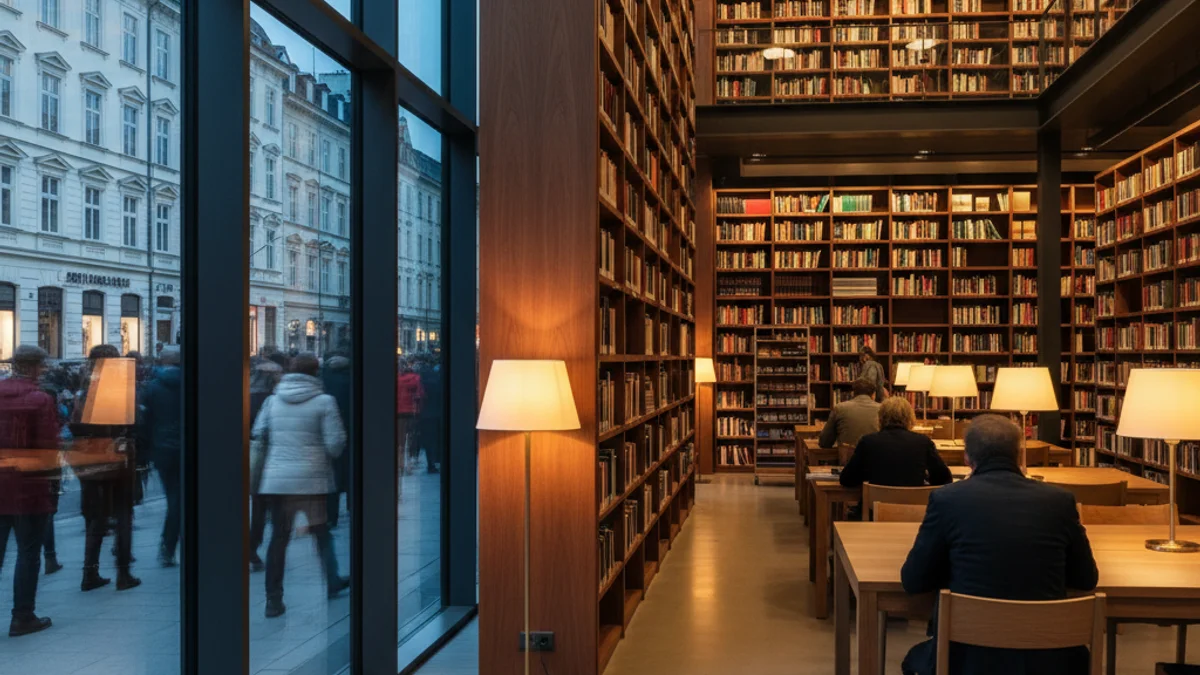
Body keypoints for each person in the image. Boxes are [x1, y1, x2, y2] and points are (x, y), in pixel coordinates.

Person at [900, 414, 1099, 675]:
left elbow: (913, 580)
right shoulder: (1060, 501)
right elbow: (1086, 579)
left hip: (966, 658)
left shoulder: (948, 500)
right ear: (1019, 455)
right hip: (1050, 659)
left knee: (913, 660)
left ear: (967, 458)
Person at [253, 353, 349, 618]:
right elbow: (335, 444)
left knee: (279, 539)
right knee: (321, 533)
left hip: (278, 480)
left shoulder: (273, 400)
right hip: (312, 480)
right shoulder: (325, 401)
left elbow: (259, 431)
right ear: (316, 372)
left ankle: (273, 598)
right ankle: (332, 580)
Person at [0, 345, 60, 636]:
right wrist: (53, 483)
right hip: (28, 487)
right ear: (36, 367)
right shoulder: (40, 399)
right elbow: (49, 448)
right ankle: (22, 616)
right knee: (27, 553)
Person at [73, 344, 141, 592]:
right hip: (116, 456)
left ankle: (89, 572)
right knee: (122, 513)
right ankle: (123, 573)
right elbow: (131, 422)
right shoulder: (119, 386)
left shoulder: (82, 386)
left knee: (95, 517)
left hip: (88, 456)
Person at [840, 397, 952, 491]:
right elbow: (944, 478)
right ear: (910, 418)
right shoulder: (923, 442)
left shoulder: (868, 442)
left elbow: (847, 479)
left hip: (876, 510)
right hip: (912, 510)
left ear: (880, 418)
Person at [140, 346, 182, 567]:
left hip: (163, 449)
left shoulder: (152, 388)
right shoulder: (195, 381)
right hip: (188, 449)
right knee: (183, 499)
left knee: (174, 497)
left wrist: (145, 454)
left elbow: (144, 423)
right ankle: (170, 545)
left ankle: (168, 547)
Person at [248, 358, 284, 572]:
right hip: (265, 458)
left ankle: (250, 547)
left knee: (257, 507)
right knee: (262, 507)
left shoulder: (244, 397)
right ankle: (253, 547)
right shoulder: (272, 400)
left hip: (248, 456)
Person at [321, 352, 351, 527]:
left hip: (329, 432)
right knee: (351, 471)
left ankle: (331, 516)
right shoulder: (352, 380)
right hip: (351, 430)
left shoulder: (325, 380)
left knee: (332, 475)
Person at [818, 378, 881, 449]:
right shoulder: (882, 409)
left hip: (848, 458)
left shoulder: (839, 408)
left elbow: (824, 442)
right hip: (877, 458)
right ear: (873, 394)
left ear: (853, 393)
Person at [396, 360, 425, 473]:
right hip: (413, 412)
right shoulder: (416, 378)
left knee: (400, 440)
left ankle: (401, 463)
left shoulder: (395, 379)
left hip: (399, 412)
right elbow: (421, 394)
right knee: (412, 437)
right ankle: (410, 463)